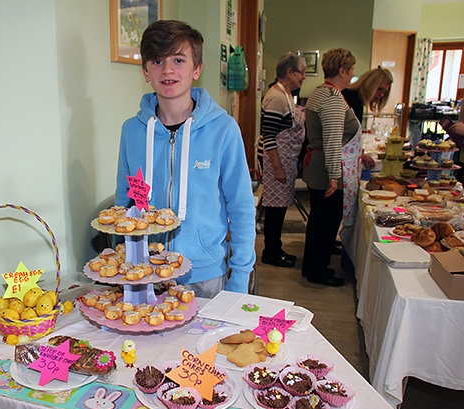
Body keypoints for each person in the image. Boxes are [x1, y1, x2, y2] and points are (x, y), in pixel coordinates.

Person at [114, 20, 256, 297]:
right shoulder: (132, 131)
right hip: (146, 273)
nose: (167, 70)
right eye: (157, 61)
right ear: (145, 71)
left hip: (204, 275)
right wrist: (123, 261)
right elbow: (125, 201)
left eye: (179, 60)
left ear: (197, 69)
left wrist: (240, 276)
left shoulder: (223, 129)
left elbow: (241, 208)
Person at [301, 48, 361, 287]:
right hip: (327, 167)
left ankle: (312, 266)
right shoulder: (333, 99)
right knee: (325, 222)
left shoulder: (320, 92)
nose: (352, 75)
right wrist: (335, 177)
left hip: (317, 163)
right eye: (352, 70)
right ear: (342, 70)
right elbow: (333, 140)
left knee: (318, 220)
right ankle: (318, 270)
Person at [259, 52, 307, 268]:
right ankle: (271, 252)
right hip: (275, 160)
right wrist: (277, 167)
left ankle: (276, 248)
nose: (303, 77)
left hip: (284, 159)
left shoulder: (285, 93)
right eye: (301, 72)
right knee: (274, 210)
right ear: (290, 72)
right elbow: (269, 135)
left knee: (279, 209)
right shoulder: (276, 97)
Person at [342, 66, 394, 170]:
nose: (381, 95)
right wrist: (359, 154)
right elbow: (344, 134)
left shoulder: (358, 100)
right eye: (380, 89)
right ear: (370, 84)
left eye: (384, 92)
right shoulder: (351, 97)